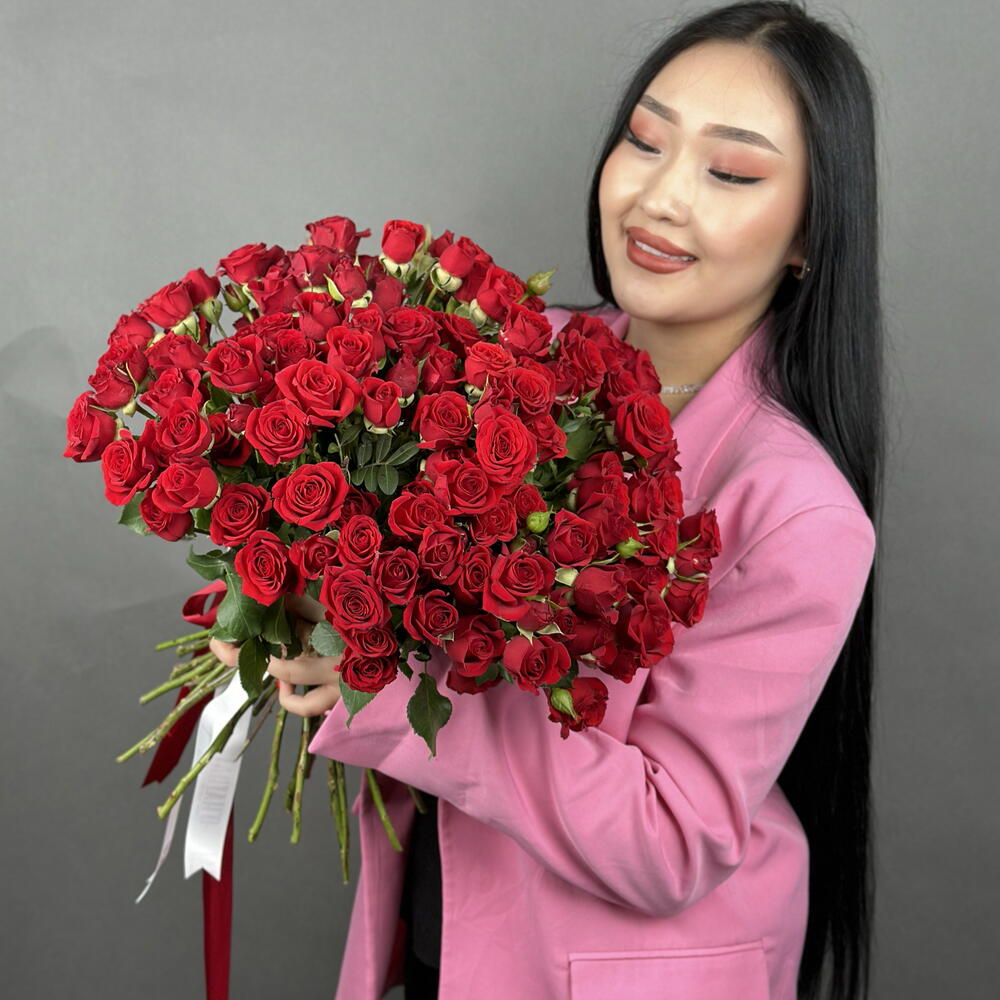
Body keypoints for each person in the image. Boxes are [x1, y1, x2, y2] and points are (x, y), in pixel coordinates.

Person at [210, 3, 885, 998]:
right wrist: (293, 588)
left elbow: (671, 838)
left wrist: (382, 683)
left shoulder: (797, 511)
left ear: (808, 236)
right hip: (444, 931)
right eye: (644, 142)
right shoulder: (514, 360)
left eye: (731, 173)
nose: (660, 197)